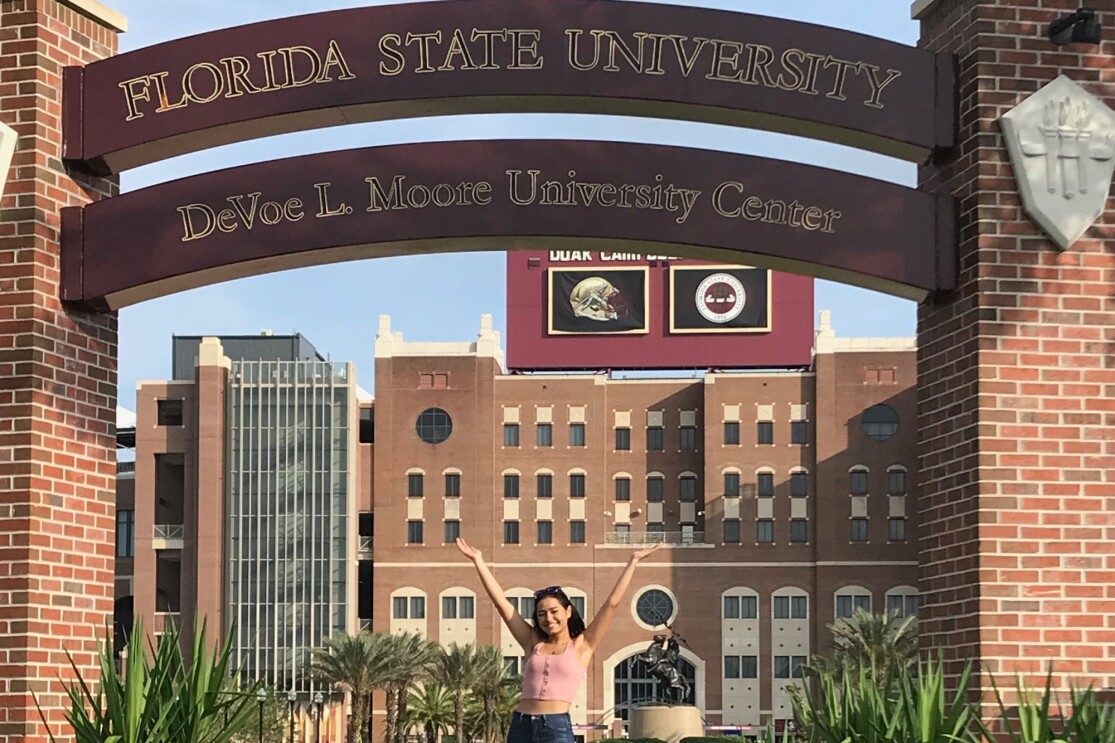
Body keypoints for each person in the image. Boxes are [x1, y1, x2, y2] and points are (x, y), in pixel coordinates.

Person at [455, 537, 663, 743]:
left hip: (555, 728)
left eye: (554, 611)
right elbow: (501, 604)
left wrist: (633, 562)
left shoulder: (583, 645)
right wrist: (478, 561)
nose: (548, 618)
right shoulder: (532, 642)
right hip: (520, 725)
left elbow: (611, 605)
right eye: (541, 614)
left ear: (568, 611)